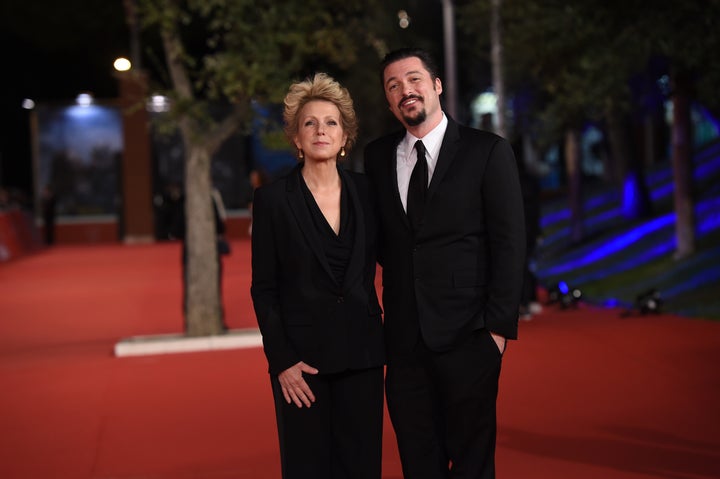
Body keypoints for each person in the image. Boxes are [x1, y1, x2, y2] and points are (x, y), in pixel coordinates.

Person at [363, 48, 526, 479]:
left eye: (414, 79)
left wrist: (496, 333)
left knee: (472, 464)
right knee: (419, 463)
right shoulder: (377, 158)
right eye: (393, 86)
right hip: (402, 345)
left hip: (469, 337)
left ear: (437, 85)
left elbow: (509, 244)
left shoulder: (487, 152)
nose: (405, 91)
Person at [250, 73, 385, 479]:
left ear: (346, 137)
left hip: (362, 356)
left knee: (361, 467)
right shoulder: (272, 200)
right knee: (307, 467)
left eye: (331, 123)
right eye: (310, 123)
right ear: (296, 137)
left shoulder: (367, 192)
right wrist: (282, 361)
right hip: (301, 364)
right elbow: (264, 288)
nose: (321, 130)